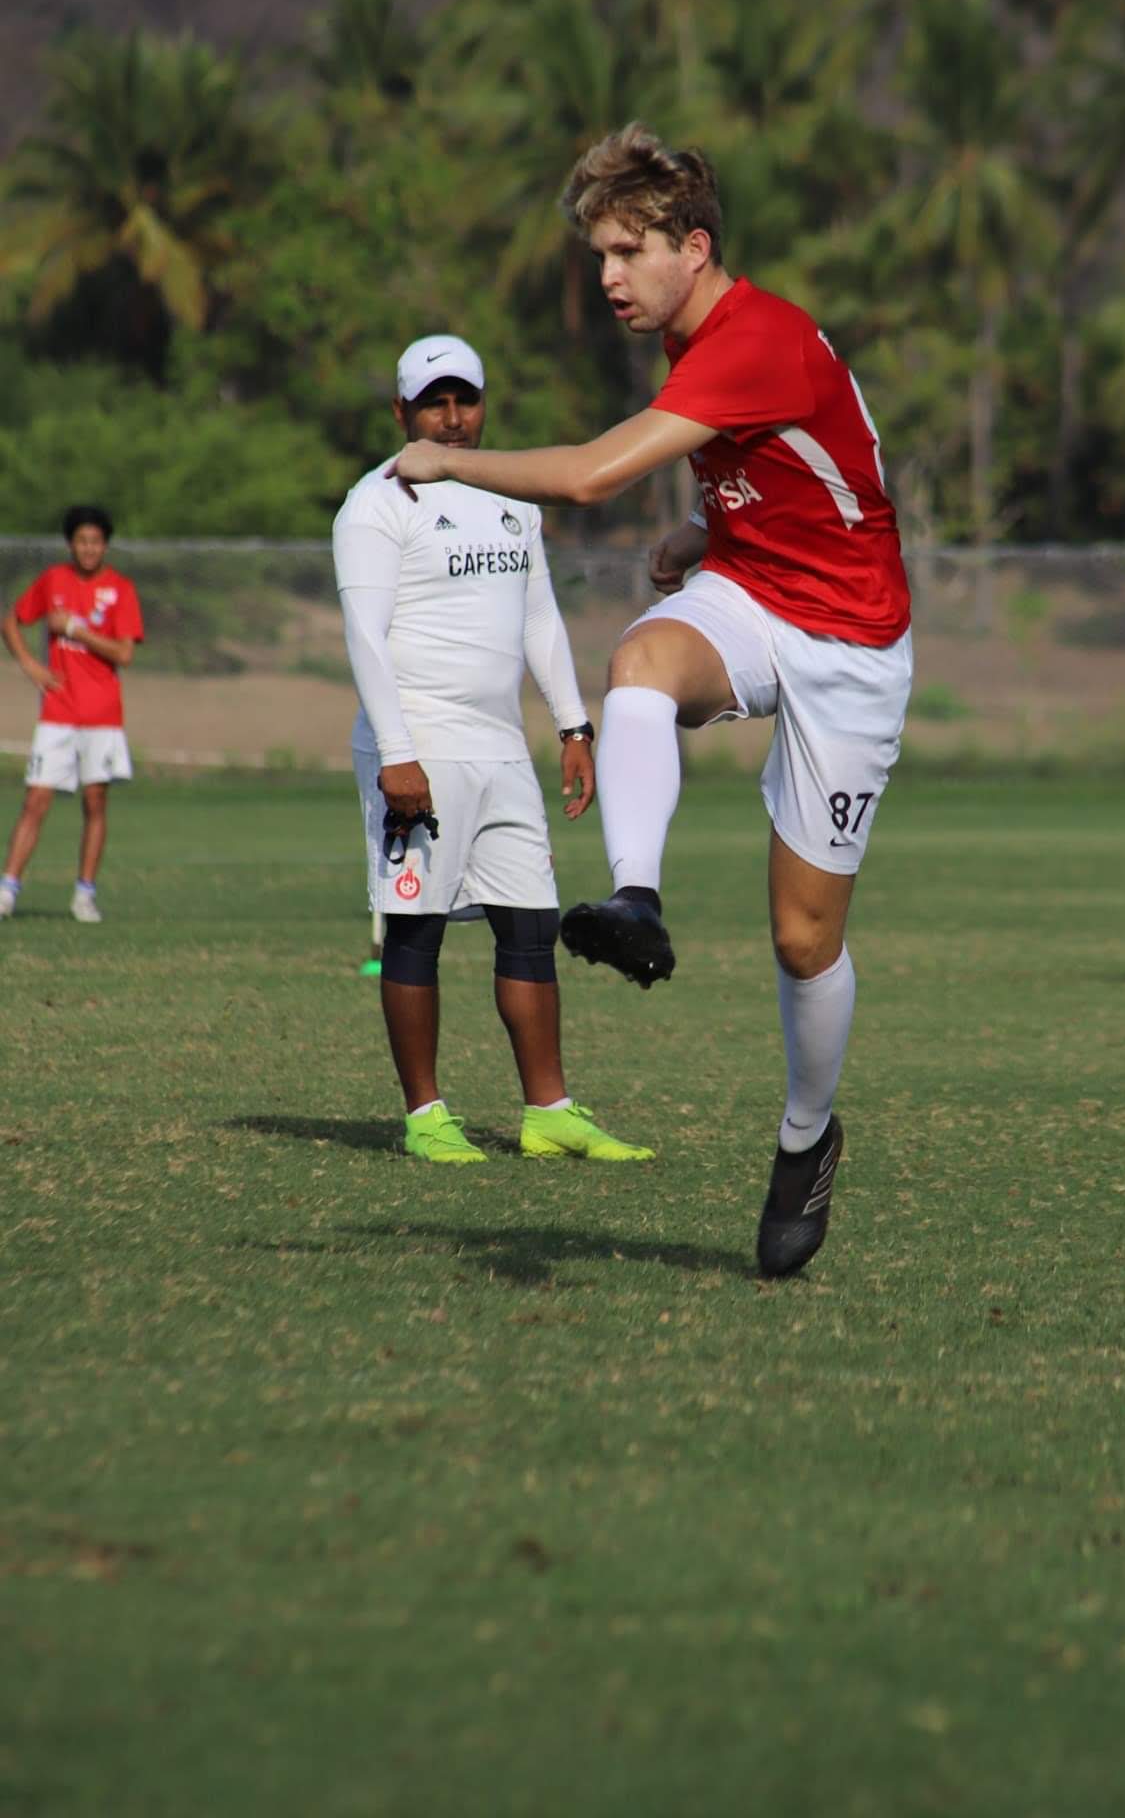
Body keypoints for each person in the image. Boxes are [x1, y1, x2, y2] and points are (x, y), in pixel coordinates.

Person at [388, 127, 913, 1276]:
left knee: (803, 938)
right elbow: (798, 463)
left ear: (696, 246)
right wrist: (704, 531)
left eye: (629, 251)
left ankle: (807, 1135)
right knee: (640, 663)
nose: (610, 276)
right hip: (755, 589)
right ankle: (635, 897)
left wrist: (448, 459)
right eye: (599, 256)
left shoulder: (755, 336)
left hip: (853, 644)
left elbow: (587, 474)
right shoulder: (696, 335)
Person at [333, 332, 653, 1165]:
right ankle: (426, 1117)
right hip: (419, 746)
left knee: (530, 926)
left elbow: (538, 617)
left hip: (501, 748)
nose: (451, 418)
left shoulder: (512, 499)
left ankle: (548, 1113)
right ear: (400, 411)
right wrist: (397, 754)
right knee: (415, 931)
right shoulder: (375, 504)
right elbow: (364, 639)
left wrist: (573, 725)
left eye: (464, 400)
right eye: (432, 403)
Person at [0, 504, 143, 925]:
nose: (88, 549)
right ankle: (7, 890)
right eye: (81, 541)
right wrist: (30, 665)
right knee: (36, 800)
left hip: (102, 714)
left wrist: (77, 630)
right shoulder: (53, 581)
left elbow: (124, 653)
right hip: (58, 712)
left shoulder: (120, 589)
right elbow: (11, 623)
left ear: (105, 546)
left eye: (96, 542)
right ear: (70, 544)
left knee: (95, 801)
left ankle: (85, 894)